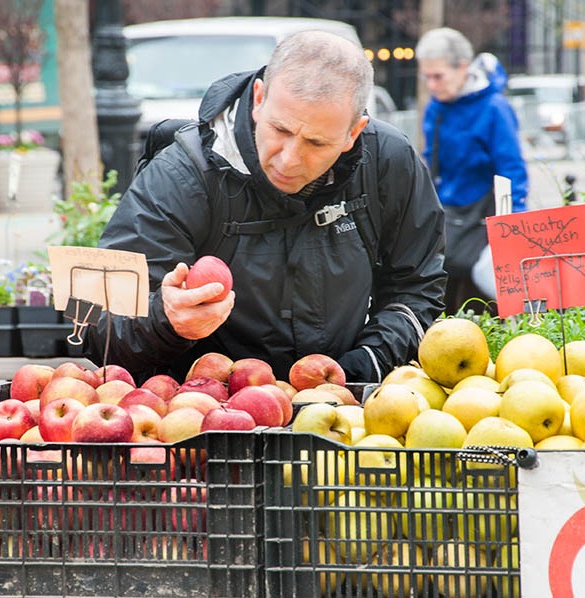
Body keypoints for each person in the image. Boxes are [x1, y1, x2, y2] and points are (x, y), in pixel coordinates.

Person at [84, 30, 446, 385]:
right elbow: (93, 319)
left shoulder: (387, 160)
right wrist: (167, 320)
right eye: (280, 130)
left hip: (346, 411)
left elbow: (417, 286)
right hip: (205, 420)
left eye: (316, 143)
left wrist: (367, 363)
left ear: (354, 132)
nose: (290, 159)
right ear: (259, 98)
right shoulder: (181, 176)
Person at [415, 27, 529, 315]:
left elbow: (512, 170)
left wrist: (509, 231)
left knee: (485, 291)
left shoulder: (494, 108)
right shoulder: (436, 108)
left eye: (438, 76)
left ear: (463, 67)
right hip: (450, 214)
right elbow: (432, 163)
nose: (431, 84)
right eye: (426, 76)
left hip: (485, 217)